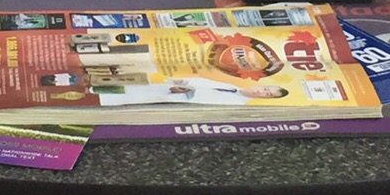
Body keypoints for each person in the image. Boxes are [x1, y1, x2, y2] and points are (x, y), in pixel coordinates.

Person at [94, 77, 290, 106]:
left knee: (124, 98)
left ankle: (96, 98)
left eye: (267, 94)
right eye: (266, 88)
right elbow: (202, 82)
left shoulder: (237, 103)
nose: (261, 92)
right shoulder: (232, 86)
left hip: (171, 99)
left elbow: (205, 98)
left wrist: (188, 89)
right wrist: (184, 82)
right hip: (168, 88)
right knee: (130, 87)